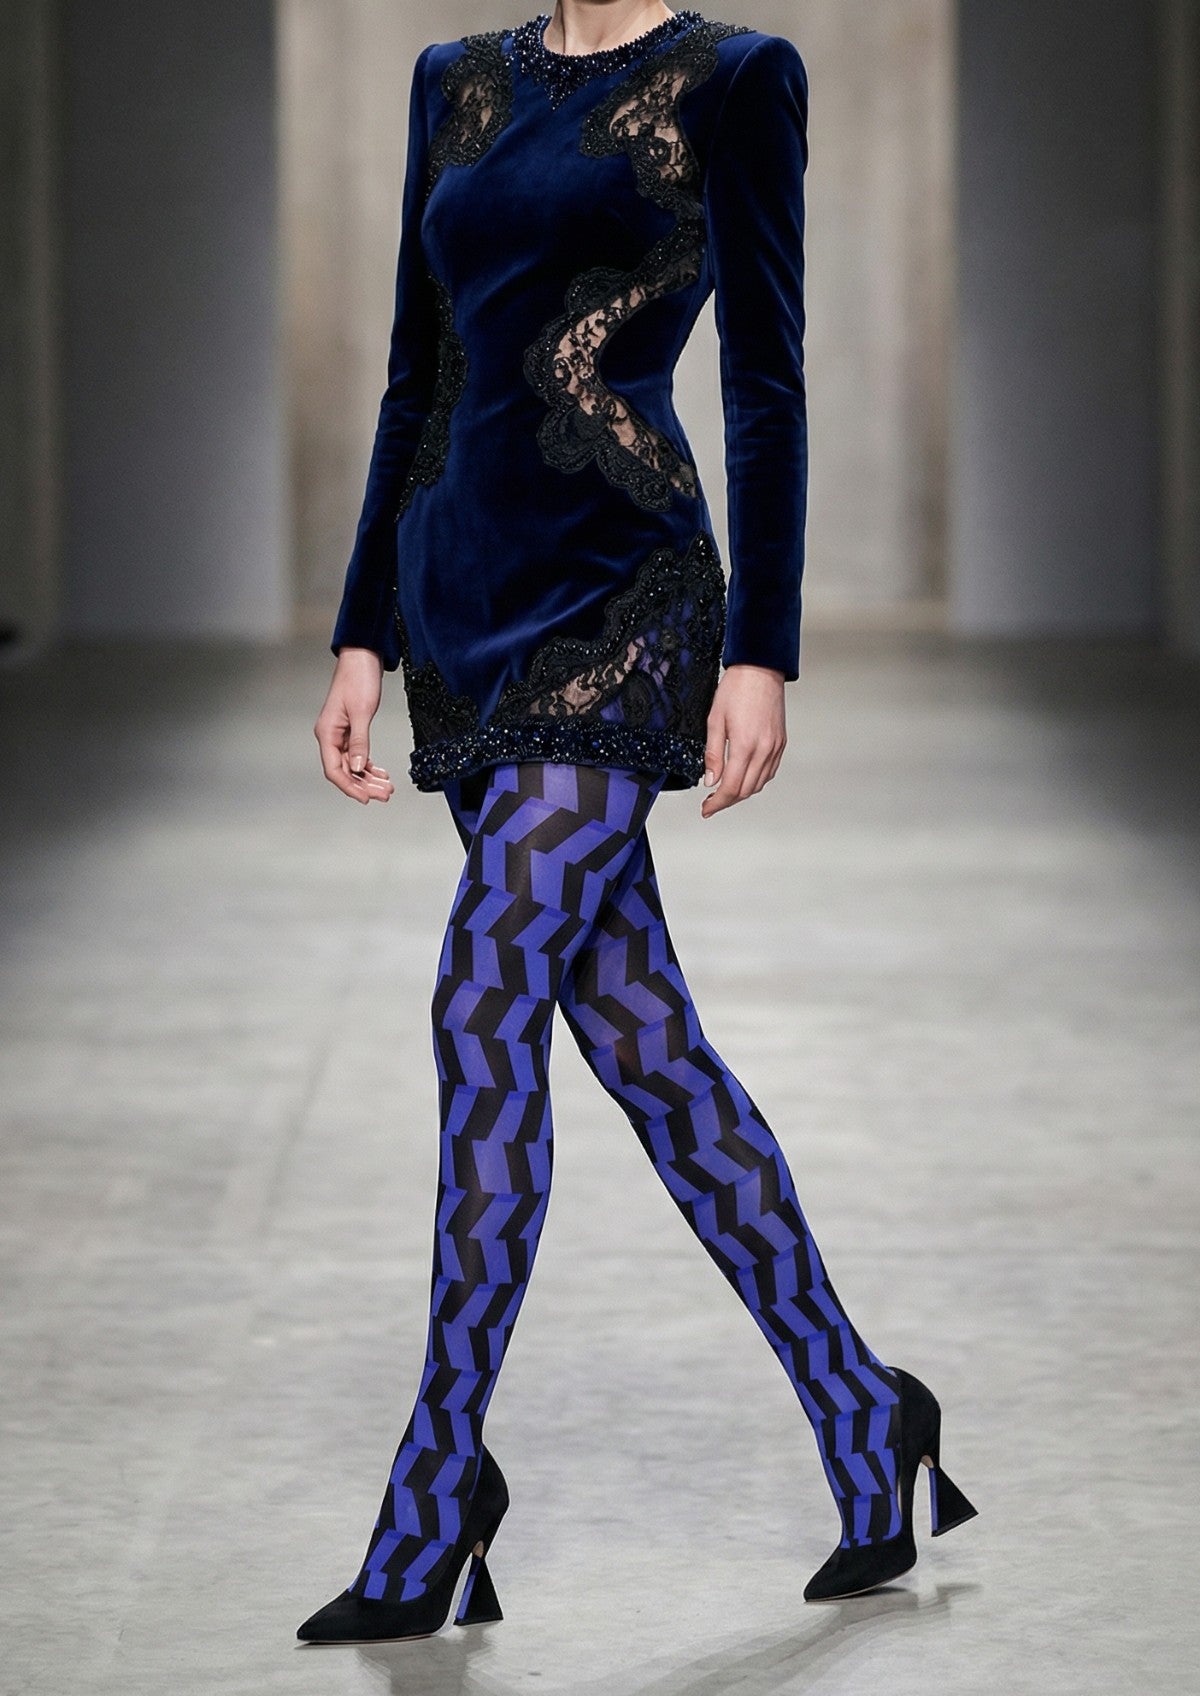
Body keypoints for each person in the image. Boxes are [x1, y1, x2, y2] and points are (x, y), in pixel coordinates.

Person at [301, 0, 977, 1646]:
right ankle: (865, 1411)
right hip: (466, 612)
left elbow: (767, 376)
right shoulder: (454, 82)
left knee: (482, 1004)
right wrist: (363, 631)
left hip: (627, 603)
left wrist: (762, 651)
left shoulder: (736, 78)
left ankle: (436, 1489)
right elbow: (418, 371)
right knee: (647, 1048)